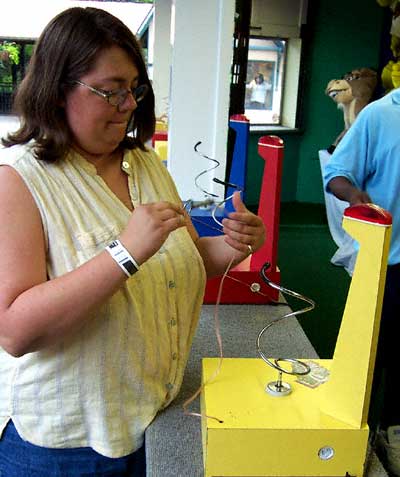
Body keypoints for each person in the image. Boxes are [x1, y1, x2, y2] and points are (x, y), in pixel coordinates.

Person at [0, 7, 266, 477]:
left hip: (154, 418)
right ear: (59, 91)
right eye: (111, 90)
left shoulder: (145, 165)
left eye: (134, 89)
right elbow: (14, 331)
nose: (127, 105)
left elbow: (182, 260)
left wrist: (232, 245)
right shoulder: (20, 181)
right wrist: (123, 253)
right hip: (64, 447)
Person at [323, 86, 400, 476]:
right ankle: (361, 434)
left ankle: (394, 431)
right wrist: (356, 197)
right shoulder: (380, 115)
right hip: (389, 261)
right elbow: (337, 172)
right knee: (373, 354)